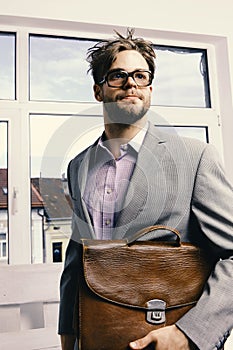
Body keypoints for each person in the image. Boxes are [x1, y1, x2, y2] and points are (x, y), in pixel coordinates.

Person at [58, 28, 233, 350]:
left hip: (166, 335)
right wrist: (69, 336)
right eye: (118, 76)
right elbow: (77, 259)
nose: (131, 84)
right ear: (98, 91)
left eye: (140, 75)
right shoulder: (78, 166)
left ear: (150, 88)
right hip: (96, 335)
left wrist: (189, 334)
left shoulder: (195, 158)